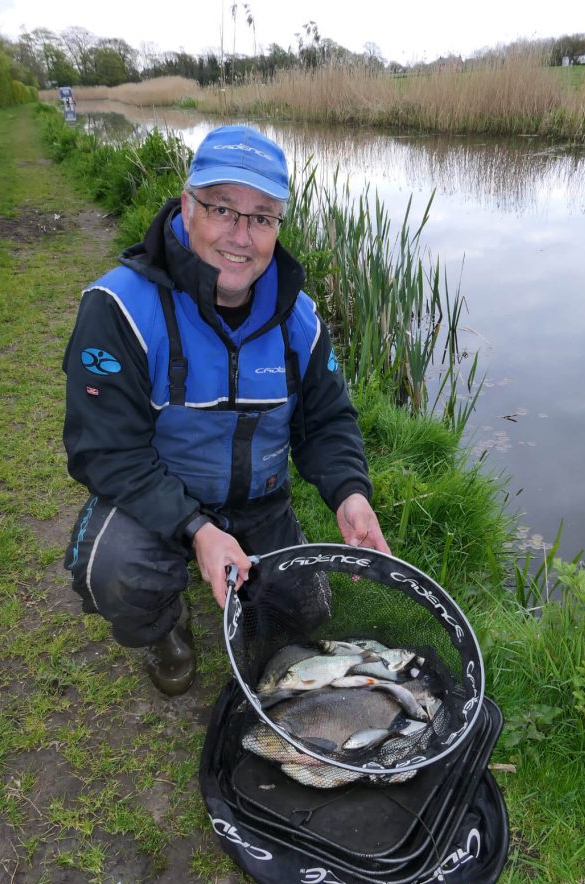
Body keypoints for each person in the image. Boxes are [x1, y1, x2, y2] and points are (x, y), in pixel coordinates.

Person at [62, 124, 390, 697]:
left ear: (277, 226)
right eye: (223, 209)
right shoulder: (118, 307)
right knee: (113, 572)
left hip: (259, 504)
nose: (242, 236)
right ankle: (166, 628)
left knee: (305, 614)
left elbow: (327, 421)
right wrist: (195, 528)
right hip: (157, 499)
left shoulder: (300, 319)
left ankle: (246, 594)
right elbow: (104, 451)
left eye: (262, 217)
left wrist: (349, 492)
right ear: (188, 207)